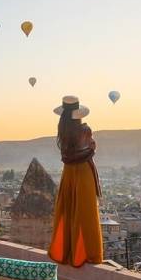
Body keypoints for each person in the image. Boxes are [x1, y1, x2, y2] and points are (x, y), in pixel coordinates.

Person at [48, 95, 103, 267]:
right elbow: (92, 147)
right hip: (84, 172)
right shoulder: (85, 130)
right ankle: (86, 254)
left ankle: (65, 251)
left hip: (69, 173)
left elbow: (67, 154)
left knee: (68, 209)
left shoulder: (63, 131)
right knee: (85, 212)